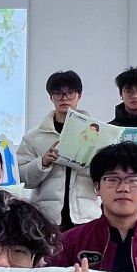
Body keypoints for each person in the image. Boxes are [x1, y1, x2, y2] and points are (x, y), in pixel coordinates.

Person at [49, 141, 137, 272]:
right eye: (112, 179)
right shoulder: (69, 241)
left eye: (133, 180)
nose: (123, 188)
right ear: (97, 187)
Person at [18, 70, 98, 228]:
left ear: (79, 96)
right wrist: (42, 163)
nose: (64, 98)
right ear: (51, 97)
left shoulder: (97, 133)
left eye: (70, 93)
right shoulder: (35, 136)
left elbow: (105, 175)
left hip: (85, 217)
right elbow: (21, 177)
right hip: (46, 218)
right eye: (58, 94)